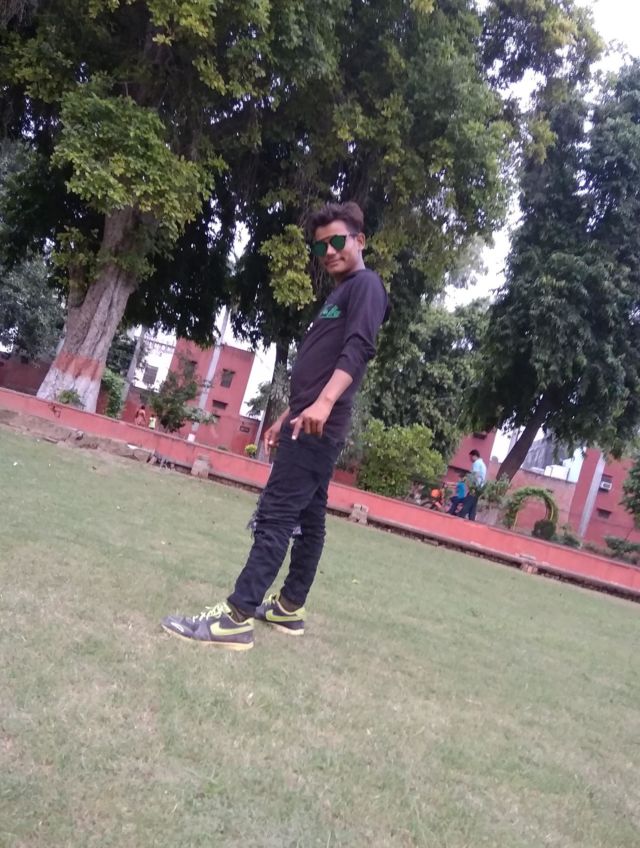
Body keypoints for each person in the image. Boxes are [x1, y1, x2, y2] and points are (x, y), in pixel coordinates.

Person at [161, 201, 389, 650]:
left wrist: (323, 404)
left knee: (276, 515)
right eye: (321, 246)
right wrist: (289, 412)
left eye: (337, 241)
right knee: (310, 517)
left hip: (318, 425)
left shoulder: (366, 285)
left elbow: (358, 349)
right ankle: (289, 607)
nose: (329, 251)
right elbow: (320, 363)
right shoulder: (340, 293)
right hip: (308, 419)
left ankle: (236, 617)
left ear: (360, 240)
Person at [458, 449, 487, 521]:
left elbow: (474, 475)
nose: (470, 459)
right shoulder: (483, 464)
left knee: (468, 502)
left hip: (475, 487)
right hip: (480, 488)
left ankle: (460, 516)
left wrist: (469, 483)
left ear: (474, 456)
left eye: (470, 457)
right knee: (473, 505)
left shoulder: (476, 463)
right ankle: (471, 519)